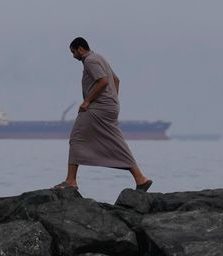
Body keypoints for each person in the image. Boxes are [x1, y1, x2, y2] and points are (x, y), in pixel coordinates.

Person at [54, 37, 152, 192]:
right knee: (116, 142)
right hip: (110, 107)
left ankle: (71, 181)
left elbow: (104, 81)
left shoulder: (90, 61)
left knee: (76, 137)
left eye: (73, 52)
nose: (73, 56)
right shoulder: (99, 57)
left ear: (80, 49)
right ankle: (141, 179)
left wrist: (87, 101)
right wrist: (112, 100)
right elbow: (116, 80)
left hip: (97, 108)